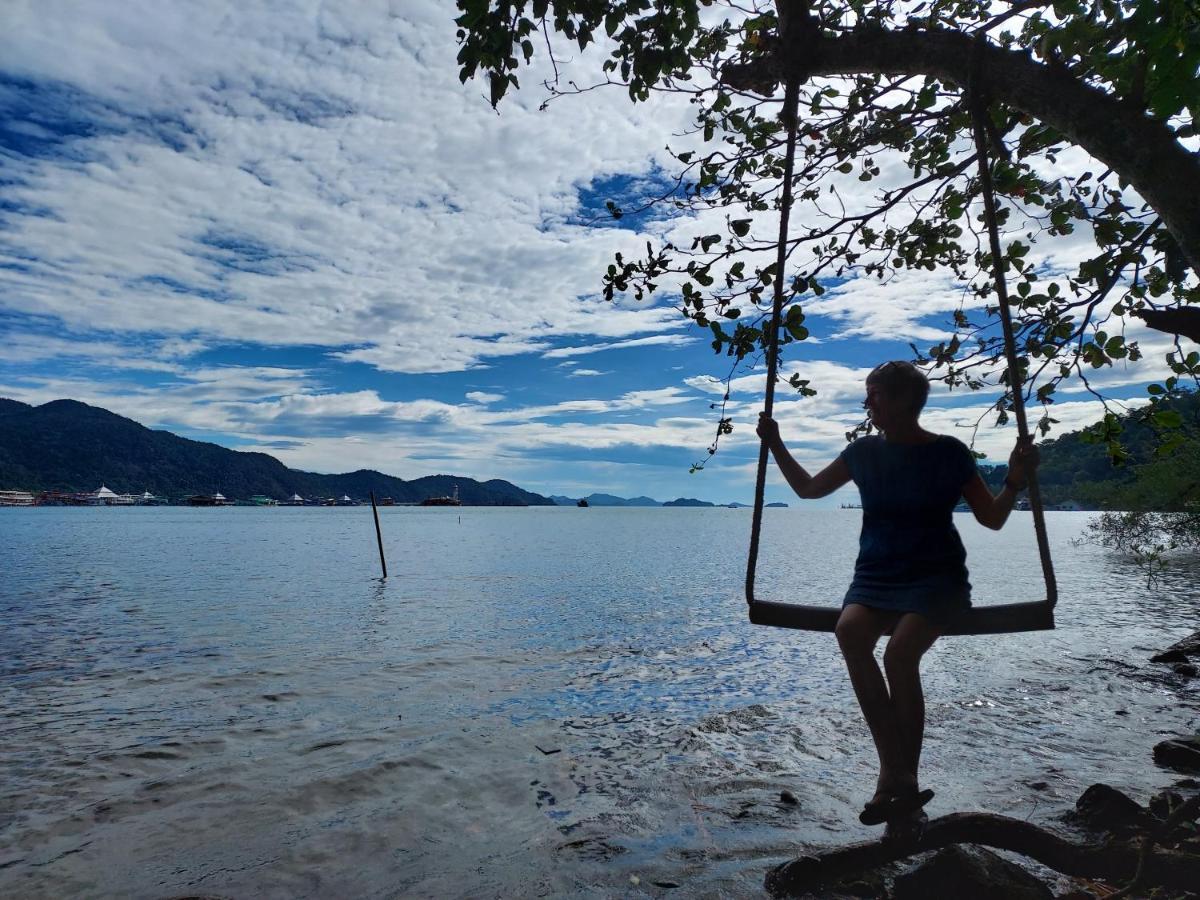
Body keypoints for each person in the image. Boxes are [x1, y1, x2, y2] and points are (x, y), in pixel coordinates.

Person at [756, 360, 1039, 827]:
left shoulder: (949, 453)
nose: (868, 404)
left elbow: (991, 517)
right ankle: (900, 776)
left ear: (905, 400)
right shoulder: (862, 452)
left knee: (900, 655)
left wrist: (1015, 480)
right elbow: (807, 490)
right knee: (849, 633)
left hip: (936, 577)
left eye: (875, 395)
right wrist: (776, 443)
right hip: (876, 576)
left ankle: (893, 776)